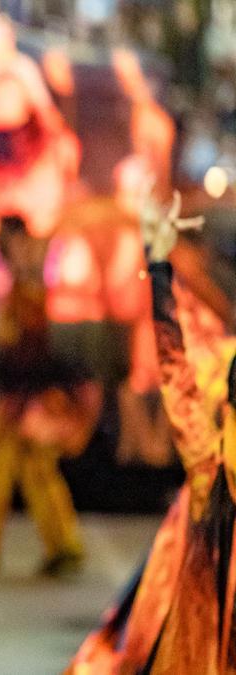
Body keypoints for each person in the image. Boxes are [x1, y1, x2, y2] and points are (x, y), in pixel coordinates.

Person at [69, 192, 234, 673]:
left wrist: (158, 265)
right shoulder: (212, 457)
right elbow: (178, 359)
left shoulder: (210, 456)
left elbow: (178, 361)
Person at [0, 214, 102, 576]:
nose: (3, 247)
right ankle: (58, 545)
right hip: (20, 391)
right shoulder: (22, 280)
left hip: (21, 395)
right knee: (27, 470)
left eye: (8, 239)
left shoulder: (29, 278)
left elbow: (25, 343)